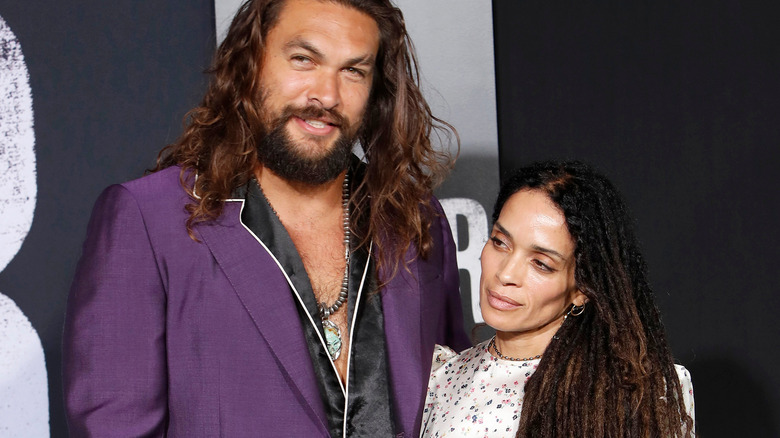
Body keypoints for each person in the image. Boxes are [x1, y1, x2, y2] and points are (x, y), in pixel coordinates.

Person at [63, 0, 469, 436]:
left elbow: (456, 406)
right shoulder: (149, 219)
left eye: (353, 71)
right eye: (303, 59)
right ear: (249, 63)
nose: (327, 95)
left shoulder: (414, 220)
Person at [421, 161, 695, 437]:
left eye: (541, 263)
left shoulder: (642, 393)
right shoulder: (438, 379)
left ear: (582, 290)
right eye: (500, 242)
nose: (505, 274)